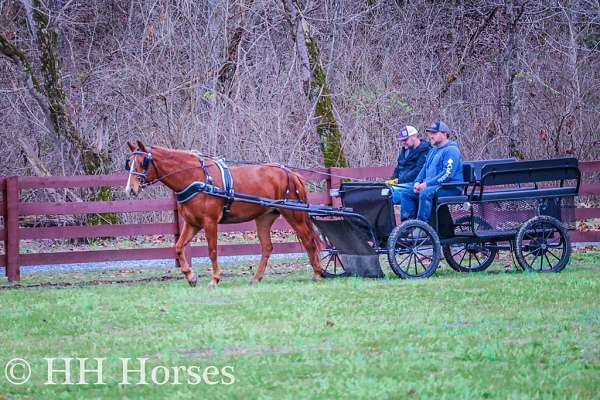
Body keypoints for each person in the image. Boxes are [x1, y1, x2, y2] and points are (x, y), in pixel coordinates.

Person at [399, 121, 464, 223]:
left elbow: (447, 175)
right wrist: (417, 182)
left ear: (444, 134)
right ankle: (408, 226)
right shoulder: (433, 150)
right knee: (406, 194)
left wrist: (427, 184)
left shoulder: (451, 150)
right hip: (434, 187)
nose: (431, 136)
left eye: (434, 133)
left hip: (450, 187)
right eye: (430, 133)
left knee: (425, 193)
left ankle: (422, 227)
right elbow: (424, 169)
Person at [386, 125, 431, 204]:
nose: (403, 142)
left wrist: (399, 181)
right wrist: (391, 181)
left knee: (390, 193)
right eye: (402, 140)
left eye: (405, 139)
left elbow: (418, 171)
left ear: (414, 136)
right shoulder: (405, 150)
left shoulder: (426, 150)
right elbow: (398, 168)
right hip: (401, 184)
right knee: (383, 190)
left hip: (415, 184)